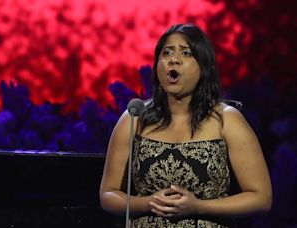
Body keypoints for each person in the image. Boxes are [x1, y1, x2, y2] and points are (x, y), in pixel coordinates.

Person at [100, 23, 272, 227]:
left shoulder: (227, 120)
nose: (174, 60)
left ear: (203, 66)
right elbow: (108, 195)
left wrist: (198, 206)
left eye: (186, 53)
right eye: (167, 53)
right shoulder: (135, 118)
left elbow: (261, 198)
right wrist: (148, 203)